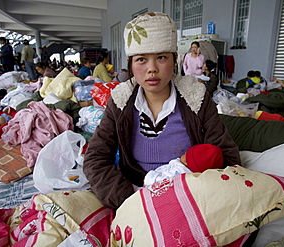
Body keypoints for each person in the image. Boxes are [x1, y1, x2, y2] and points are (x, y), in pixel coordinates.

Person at [83, 12, 241, 209]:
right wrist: (130, 202)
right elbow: (95, 159)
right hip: (134, 197)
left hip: (188, 197)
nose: (152, 69)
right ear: (130, 65)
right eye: (141, 59)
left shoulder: (196, 98)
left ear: (174, 60)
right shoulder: (120, 101)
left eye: (161, 57)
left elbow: (228, 156)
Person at [144, 143, 224, 187]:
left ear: (187, 162)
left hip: (148, 186)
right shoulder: (182, 165)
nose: (183, 154)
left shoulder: (180, 172)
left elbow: (160, 183)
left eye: (186, 154)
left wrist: (149, 178)